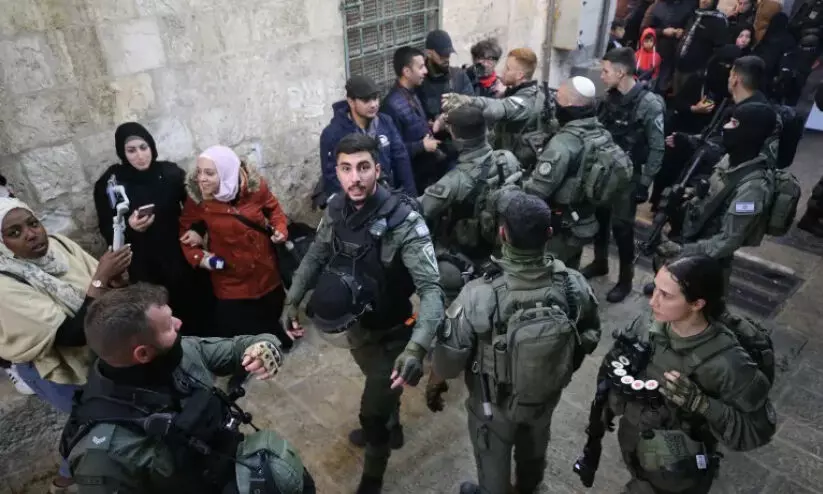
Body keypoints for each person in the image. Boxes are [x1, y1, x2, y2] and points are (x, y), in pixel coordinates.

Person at [280, 133, 444, 494]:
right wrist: (292, 298)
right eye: (346, 169)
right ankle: (393, 422)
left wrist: (416, 349)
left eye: (363, 168)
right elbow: (316, 255)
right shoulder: (337, 208)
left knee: (372, 415)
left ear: (378, 170)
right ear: (337, 172)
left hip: (394, 333)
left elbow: (432, 292)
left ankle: (374, 473)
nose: (355, 178)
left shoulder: (404, 223)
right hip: (357, 330)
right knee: (379, 386)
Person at [426, 190, 601, 494]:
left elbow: (449, 357)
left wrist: (435, 382)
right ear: (549, 233)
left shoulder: (479, 293)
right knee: (534, 451)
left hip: (493, 405)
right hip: (545, 397)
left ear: (502, 233)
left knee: (492, 459)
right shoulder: (573, 283)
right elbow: (590, 335)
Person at [61, 283, 314, 493]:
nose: (179, 323)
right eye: (169, 326)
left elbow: (243, 346)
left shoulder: (182, 352)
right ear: (143, 353)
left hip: (226, 463)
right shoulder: (104, 456)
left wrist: (265, 347)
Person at [603, 255, 775, 494]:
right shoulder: (649, 323)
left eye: (666, 295)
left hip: (678, 463)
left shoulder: (728, 363)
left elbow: (757, 431)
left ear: (697, 304)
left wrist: (702, 404)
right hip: (635, 436)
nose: (653, 301)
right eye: (655, 289)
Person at [0, 197, 132, 492]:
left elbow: (96, 289)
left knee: (94, 422)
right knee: (93, 422)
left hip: (94, 349)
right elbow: (69, 335)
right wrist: (101, 279)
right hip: (55, 367)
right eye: (14, 232)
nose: (31, 234)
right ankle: (65, 483)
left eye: (32, 223)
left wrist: (116, 282)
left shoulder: (59, 245)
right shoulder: (4, 284)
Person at [93, 122, 213, 336]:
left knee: (197, 306)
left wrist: (196, 229)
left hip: (179, 255)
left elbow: (198, 206)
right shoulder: (112, 183)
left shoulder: (170, 173)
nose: (139, 155)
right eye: (131, 150)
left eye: (143, 147)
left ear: (152, 147)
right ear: (122, 152)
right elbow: (106, 228)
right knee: (160, 314)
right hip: (144, 265)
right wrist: (129, 226)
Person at [652, 102, 777, 295]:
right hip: (693, 236)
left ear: (749, 133)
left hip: (707, 263)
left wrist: (681, 251)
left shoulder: (752, 188)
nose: (726, 127)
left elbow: (728, 240)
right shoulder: (731, 159)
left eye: (734, 123)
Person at [178, 145, 297, 349]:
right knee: (237, 324)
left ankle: (275, 335)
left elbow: (273, 209)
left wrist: (280, 230)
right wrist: (203, 259)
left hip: (264, 269)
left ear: (226, 172)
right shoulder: (199, 200)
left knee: (271, 308)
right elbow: (186, 235)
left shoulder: (254, 188)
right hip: (229, 277)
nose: (201, 179)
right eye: (199, 172)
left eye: (209, 173)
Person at [583, 47, 665, 303]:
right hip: (605, 173)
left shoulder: (649, 104)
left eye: (606, 71)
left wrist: (645, 182)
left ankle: (626, 280)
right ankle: (600, 262)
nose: (602, 75)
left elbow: (657, 146)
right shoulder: (609, 98)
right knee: (600, 220)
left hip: (629, 177)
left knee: (622, 229)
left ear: (621, 72)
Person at [524, 76, 631, 269]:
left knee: (546, 275)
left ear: (569, 103)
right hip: (584, 220)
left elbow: (536, 192)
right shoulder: (601, 133)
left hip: (560, 228)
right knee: (569, 270)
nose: (556, 102)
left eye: (560, 98)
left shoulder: (563, 143)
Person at [418, 105, 520, 257]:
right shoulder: (508, 158)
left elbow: (420, 208)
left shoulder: (456, 181)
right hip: (506, 244)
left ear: (457, 140)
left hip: (468, 253)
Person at [442, 48, 545, 165]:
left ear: (519, 75)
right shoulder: (527, 92)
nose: (502, 71)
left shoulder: (525, 101)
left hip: (515, 167)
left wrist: (469, 100)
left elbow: (497, 109)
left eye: (507, 68)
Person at [319, 75, 417, 198]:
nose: (374, 105)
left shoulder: (385, 122)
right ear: (351, 102)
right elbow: (332, 179)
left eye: (376, 98)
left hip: (389, 196)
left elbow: (401, 159)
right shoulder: (333, 134)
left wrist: (411, 198)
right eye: (366, 100)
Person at [382, 46, 446, 194]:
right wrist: (421, 146)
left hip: (426, 172)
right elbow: (392, 150)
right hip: (412, 179)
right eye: (421, 67)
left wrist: (431, 126)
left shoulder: (413, 92)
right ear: (406, 71)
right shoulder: (391, 106)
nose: (426, 71)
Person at [673, 0, 730, 93]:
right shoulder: (693, 13)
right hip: (679, 67)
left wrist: (703, 71)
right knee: (677, 100)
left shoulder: (719, 21)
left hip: (696, 72)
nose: (704, 1)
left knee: (688, 103)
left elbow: (719, 49)